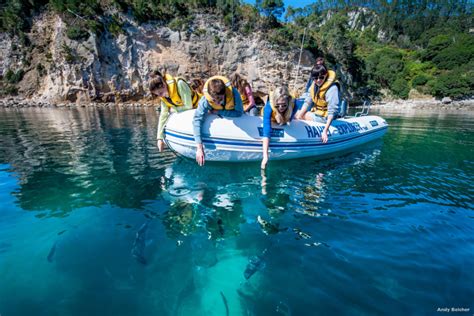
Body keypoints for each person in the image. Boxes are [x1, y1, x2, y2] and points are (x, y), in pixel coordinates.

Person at [193, 75, 244, 166]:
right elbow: (197, 120)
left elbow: (239, 112)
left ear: (225, 94)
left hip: (228, 114)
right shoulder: (205, 100)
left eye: (220, 99)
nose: (218, 102)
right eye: (214, 100)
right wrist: (199, 148)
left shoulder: (234, 93)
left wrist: (219, 111)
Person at [150, 70, 199, 152]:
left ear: (164, 84)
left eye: (161, 92)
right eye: (157, 94)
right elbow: (163, 115)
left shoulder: (179, 84)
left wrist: (174, 109)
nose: (160, 96)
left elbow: (188, 106)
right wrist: (159, 138)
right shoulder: (163, 96)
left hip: (199, 107)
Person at [295, 59, 340, 144]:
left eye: (321, 77)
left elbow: (332, 111)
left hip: (325, 117)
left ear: (326, 75)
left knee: (297, 114)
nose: (318, 80)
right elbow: (307, 102)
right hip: (317, 113)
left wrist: (325, 131)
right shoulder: (313, 86)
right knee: (295, 113)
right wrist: (299, 116)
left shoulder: (332, 88)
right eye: (315, 78)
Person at [261, 86, 299, 170]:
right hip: (272, 117)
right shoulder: (269, 107)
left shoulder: (295, 104)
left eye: (284, 105)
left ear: (288, 102)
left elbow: (291, 116)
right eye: (277, 105)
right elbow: (266, 131)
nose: (281, 108)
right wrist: (265, 156)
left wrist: (288, 119)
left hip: (285, 117)